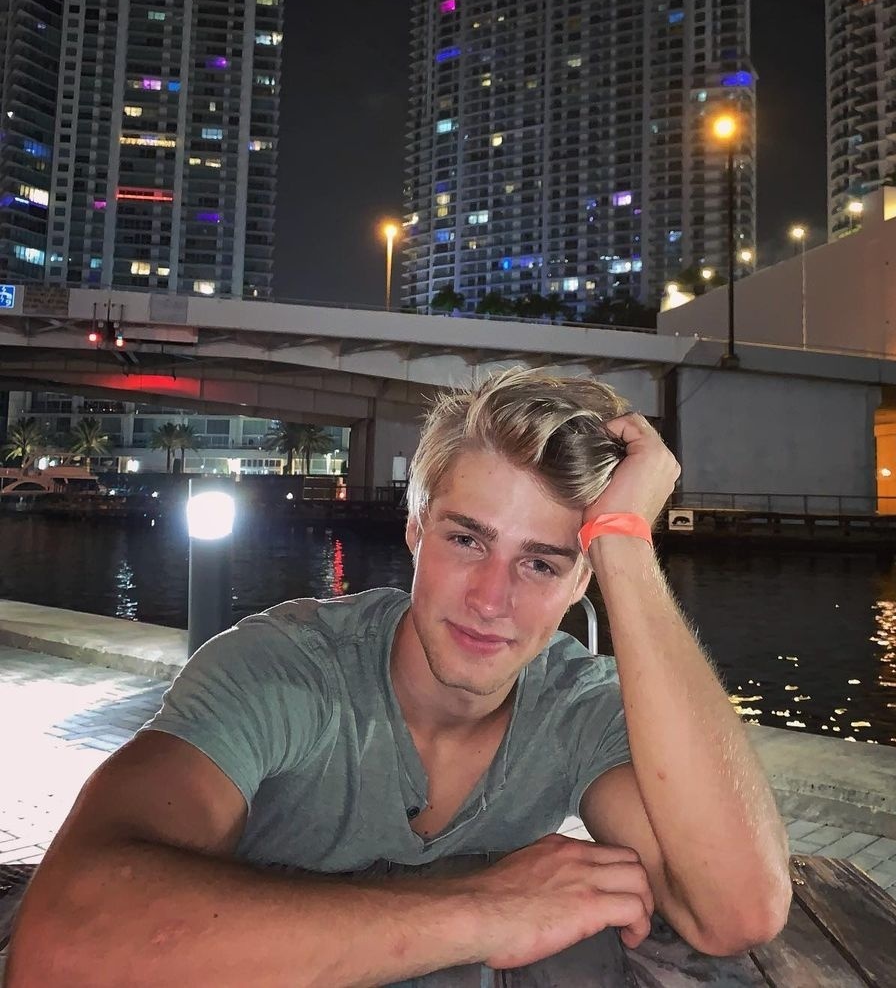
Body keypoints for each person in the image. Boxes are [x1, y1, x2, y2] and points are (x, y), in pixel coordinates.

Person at [8, 368, 791, 986]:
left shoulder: (574, 706)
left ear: (581, 580)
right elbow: (61, 946)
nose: (491, 600)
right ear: (415, 530)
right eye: (466, 540)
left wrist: (625, 545)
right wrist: (480, 911)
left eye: (541, 564)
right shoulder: (282, 671)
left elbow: (735, 911)